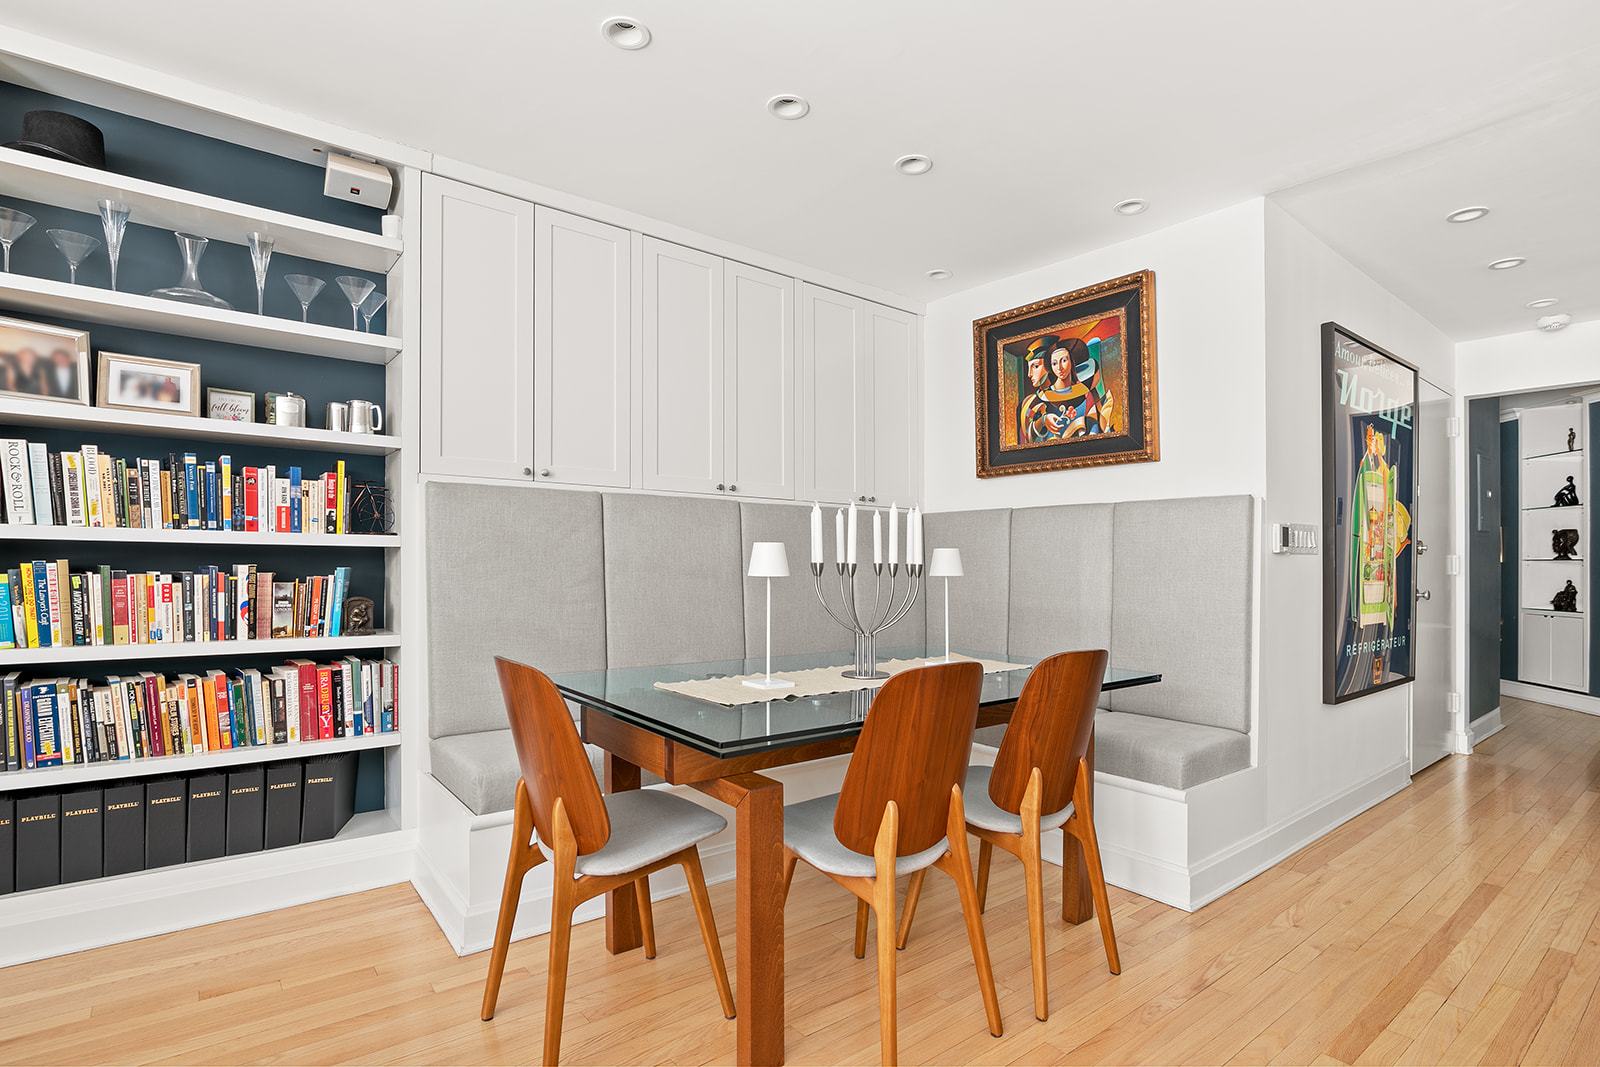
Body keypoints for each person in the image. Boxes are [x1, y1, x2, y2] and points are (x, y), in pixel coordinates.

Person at [1016, 335, 1058, 443]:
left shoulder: (1066, 395)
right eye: (1028, 368)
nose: (1029, 374)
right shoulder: (1028, 402)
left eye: (1035, 367)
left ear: (1049, 366)